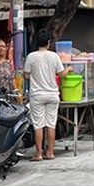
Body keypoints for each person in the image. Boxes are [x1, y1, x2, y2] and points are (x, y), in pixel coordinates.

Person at [24, 31, 67, 161]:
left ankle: (38, 154)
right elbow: (61, 74)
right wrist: (69, 69)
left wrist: (34, 77)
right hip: (52, 94)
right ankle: (50, 153)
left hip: (37, 95)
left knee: (38, 125)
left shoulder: (31, 56)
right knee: (51, 124)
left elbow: (26, 75)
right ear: (48, 42)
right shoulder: (54, 56)